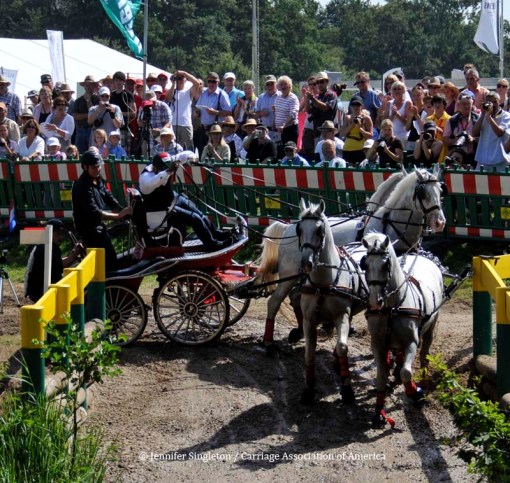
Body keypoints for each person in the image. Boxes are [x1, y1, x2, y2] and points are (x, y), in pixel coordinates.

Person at [136, 152, 236, 251]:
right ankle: (211, 245)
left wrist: (191, 157)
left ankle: (217, 234)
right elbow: (153, 182)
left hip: (173, 199)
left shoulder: (165, 162)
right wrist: (168, 171)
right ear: (155, 168)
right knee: (195, 219)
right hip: (161, 209)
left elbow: (183, 155)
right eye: (164, 168)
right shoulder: (145, 177)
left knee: (199, 213)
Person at [72, 148, 131, 271]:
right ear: (85, 167)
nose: (98, 169)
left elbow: (108, 197)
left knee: (112, 260)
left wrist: (121, 209)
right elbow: (94, 212)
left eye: (99, 166)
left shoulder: (98, 180)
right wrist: (118, 216)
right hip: (89, 231)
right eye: (94, 167)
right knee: (107, 263)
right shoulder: (82, 186)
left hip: (98, 228)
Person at [25, 219, 83, 303]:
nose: (61, 237)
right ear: (49, 233)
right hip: (40, 291)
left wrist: (72, 255)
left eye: (61, 234)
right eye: (58, 234)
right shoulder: (48, 248)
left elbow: (56, 262)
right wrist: (74, 254)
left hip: (35, 289)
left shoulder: (44, 245)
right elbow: (60, 266)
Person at [195, 72, 232, 155]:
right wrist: (198, 113)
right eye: (209, 81)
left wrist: (216, 112)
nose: (211, 84)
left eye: (214, 82)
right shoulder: (203, 93)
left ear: (218, 82)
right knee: (202, 154)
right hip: (203, 128)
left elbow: (229, 113)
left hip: (215, 130)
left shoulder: (222, 94)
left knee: (213, 154)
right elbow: (199, 107)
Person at [472, 92, 510, 172]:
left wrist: (489, 117)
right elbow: (474, 133)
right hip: (483, 158)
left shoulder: (506, 116)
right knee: (479, 180)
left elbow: (499, 133)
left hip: (500, 159)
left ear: (499, 101)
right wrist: (483, 114)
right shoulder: (483, 115)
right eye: (489, 102)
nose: (492, 105)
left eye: (495, 102)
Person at [165, 70, 201, 149]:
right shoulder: (172, 91)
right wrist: (173, 83)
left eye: (182, 78)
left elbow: (197, 83)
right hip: (173, 124)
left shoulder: (188, 91)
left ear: (185, 80)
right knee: (173, 147)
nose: (180, 80)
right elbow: (168, 98)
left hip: (186, 124)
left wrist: (184, 73)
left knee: (189, 148)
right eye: (178, 78)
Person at [443, 91, 479, 168]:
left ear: (472, 104)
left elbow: (484, 137)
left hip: (473, 156)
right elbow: (445, 139)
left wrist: (473, 139)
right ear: (459, 105)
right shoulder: (452, 120)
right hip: (456, 155)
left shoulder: (477, 119)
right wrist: (456, 140)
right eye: (463, 104)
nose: (466, 106)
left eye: (468, 104)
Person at [339, 95, 373, 164]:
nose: (355, 107)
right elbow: (341, 134)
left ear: (362, 106)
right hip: (347, 150)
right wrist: (351, 124)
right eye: (353, 105)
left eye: (358, 105)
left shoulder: (366, 118)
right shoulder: (347, 118)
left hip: (360, 150)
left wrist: (360, 128)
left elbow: (370, 136)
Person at [109, 71, 136, 156]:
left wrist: (119, 113)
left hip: (124, 129)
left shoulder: (128, 94)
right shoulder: (111, 95)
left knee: (124, 153)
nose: (118, 82)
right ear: (113, 82)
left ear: (124, 81)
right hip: (112, 129)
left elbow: (133, 113)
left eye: (120, 80)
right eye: (116, 80)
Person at [305, 71, 337, 140]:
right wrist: (307, 98)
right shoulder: (317, 96)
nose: (319, 84)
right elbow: (309, 111)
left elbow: (326, 107)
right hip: (317, 131)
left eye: (322, 82)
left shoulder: (331, 94)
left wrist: (312, 98)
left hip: (327, 131)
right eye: (317, 82)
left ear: (327, 82)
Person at [274, 76, 299, 158]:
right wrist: (274, 123)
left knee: (289, 153)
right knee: (280, 154)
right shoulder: (278, 97)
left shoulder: (293, 98)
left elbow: (293, 115)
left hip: (290, 129)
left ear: (290, 85)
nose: (283, 86)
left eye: (285, 84)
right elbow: (276, 111)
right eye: (281, 84)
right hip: (279, 131)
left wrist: (284, 125)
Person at [73, 75, 100, 153]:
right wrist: (88, 115)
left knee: (93, 153)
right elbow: (75, 116)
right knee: (80, 153)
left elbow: (97, 115)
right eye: (86, 85)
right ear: (84, 86)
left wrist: (89, 101)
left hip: (93, 130)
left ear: (94, 86)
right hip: (81, 130)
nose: (88, 87)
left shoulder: (98, 99)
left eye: (90, 85)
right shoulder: (78, 100)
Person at [253, 75, 279, 142]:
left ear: (276, 84)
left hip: (277, 131)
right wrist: (261, 113)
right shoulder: (261, 97)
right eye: (268, 84)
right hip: (264, 131)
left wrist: (277, 110)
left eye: (272, 84)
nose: (270, 86)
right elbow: (255, 115)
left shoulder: (281, 96)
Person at [426, 94, 451, 163]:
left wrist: (438, 129)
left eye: (439, 102)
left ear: (444, 105)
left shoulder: (449, 119)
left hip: (443, 147)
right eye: (435, 103)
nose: (437, 105)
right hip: (431, 145)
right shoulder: (428, 119)